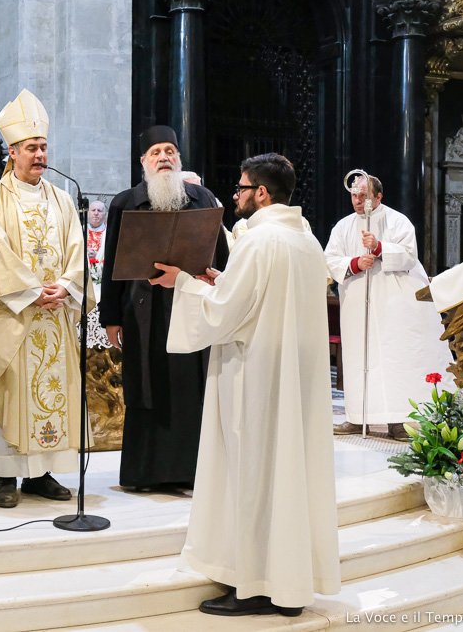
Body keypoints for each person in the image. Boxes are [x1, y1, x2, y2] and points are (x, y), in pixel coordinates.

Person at [152, 153, 340, 616]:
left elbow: (225, 313)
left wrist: (183, 284)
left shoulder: (261, 242)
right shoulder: (306, 241)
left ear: (262, 192)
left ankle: (252, 586)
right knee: (287, 476)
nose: (235, 196)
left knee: (253, 478)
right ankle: (290, 585)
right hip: (293, 382)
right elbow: (255, 296)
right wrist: (221, 281)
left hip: (254, 380)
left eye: (240, 188)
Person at [0, 88, 89, 509]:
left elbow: (76, 251)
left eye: (44, 147)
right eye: (32, 148)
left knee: (50, 392)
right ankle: (6, 476)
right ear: (12, 152)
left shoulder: (63, 199)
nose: (40, 155)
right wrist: (32, 292)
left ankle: (42, 473)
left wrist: (66, 287)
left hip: (54, 316)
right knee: (12, 392)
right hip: (12, 317)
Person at [98, 125, 227, 491]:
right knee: (147, 387)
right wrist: (110, 317)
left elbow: (220, 255)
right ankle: (145, 473)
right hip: (143, 311)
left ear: (179, 158)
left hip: (191, 304)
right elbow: (111, 266)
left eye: (170, 151)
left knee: (190, 388)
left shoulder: (202, 198)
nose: (164, 157)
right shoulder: (125, 202)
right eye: (155, 152)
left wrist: (216, 282)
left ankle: (191, 472)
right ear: (143, 162)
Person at [324, 173, 453, 441]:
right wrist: (355, 264)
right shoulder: (343, 226)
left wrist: (380, 247)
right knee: (360, 358)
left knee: (394, 358)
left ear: (378, 197)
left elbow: (409, 255)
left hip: (393, 303)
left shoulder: (397, 221)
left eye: (364, 196)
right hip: (358, 303)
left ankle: (397, 419)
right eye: (354, 195)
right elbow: (331, 258)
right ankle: (357, 417)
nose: (358, 201)